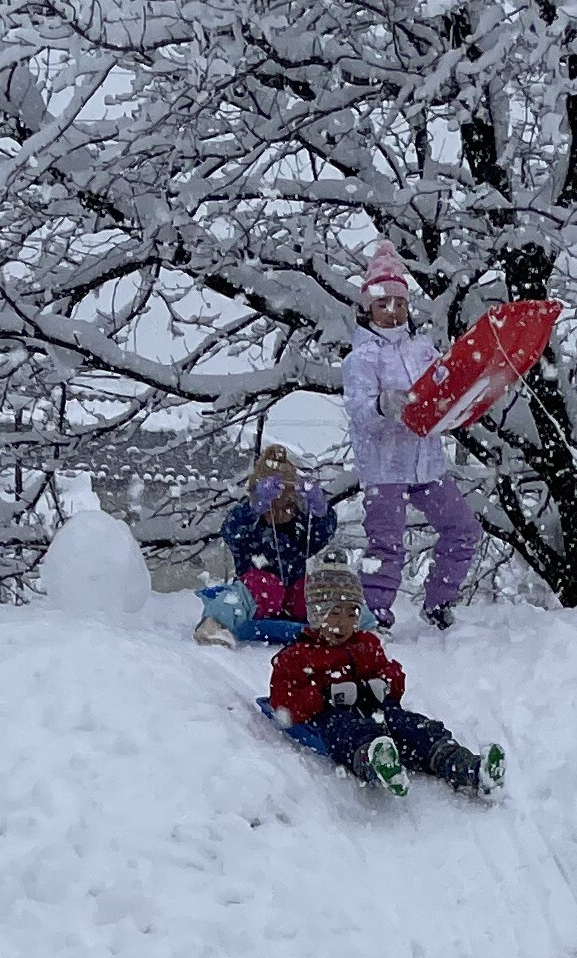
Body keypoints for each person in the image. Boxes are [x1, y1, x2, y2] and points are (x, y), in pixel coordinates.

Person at [267, 554, 503, 799]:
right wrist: (326, 695)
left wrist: (383, 685)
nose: (344, 623)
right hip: (332, 716)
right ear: (316, 614)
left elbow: (393, 673)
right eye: (334, 612)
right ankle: (375, 761)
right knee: (346, 731)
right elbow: (284, 702)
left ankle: (466, 766)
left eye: (352, 613)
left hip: (380, 709)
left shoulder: (366, 644)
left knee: (415, 728)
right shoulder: (298, 655)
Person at [342, 238, 479, 630]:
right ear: (367, 309)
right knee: (385, 545)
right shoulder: (361, 359)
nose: (392, 310)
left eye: (398, 302)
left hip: (427, 464)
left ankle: (439, 604)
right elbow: (360, 415)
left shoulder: (422, 349)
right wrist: (384, 405)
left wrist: (467, 397)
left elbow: (445, 390)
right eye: (382, 304)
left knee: (463, 529)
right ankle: (375, 619)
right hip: (384, 469)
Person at [196, 446, 337, 643]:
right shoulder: (249, 524)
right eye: (274, 502)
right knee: (262, 586)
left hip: (293, 600)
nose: (282, 510)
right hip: (256, 599)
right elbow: (231, 532)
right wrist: (253, 509)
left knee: (316, 588)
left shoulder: (298, 527)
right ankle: (214, 624)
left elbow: (320, 537)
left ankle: (355, 626)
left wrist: (322, 514)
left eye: (288, 502)